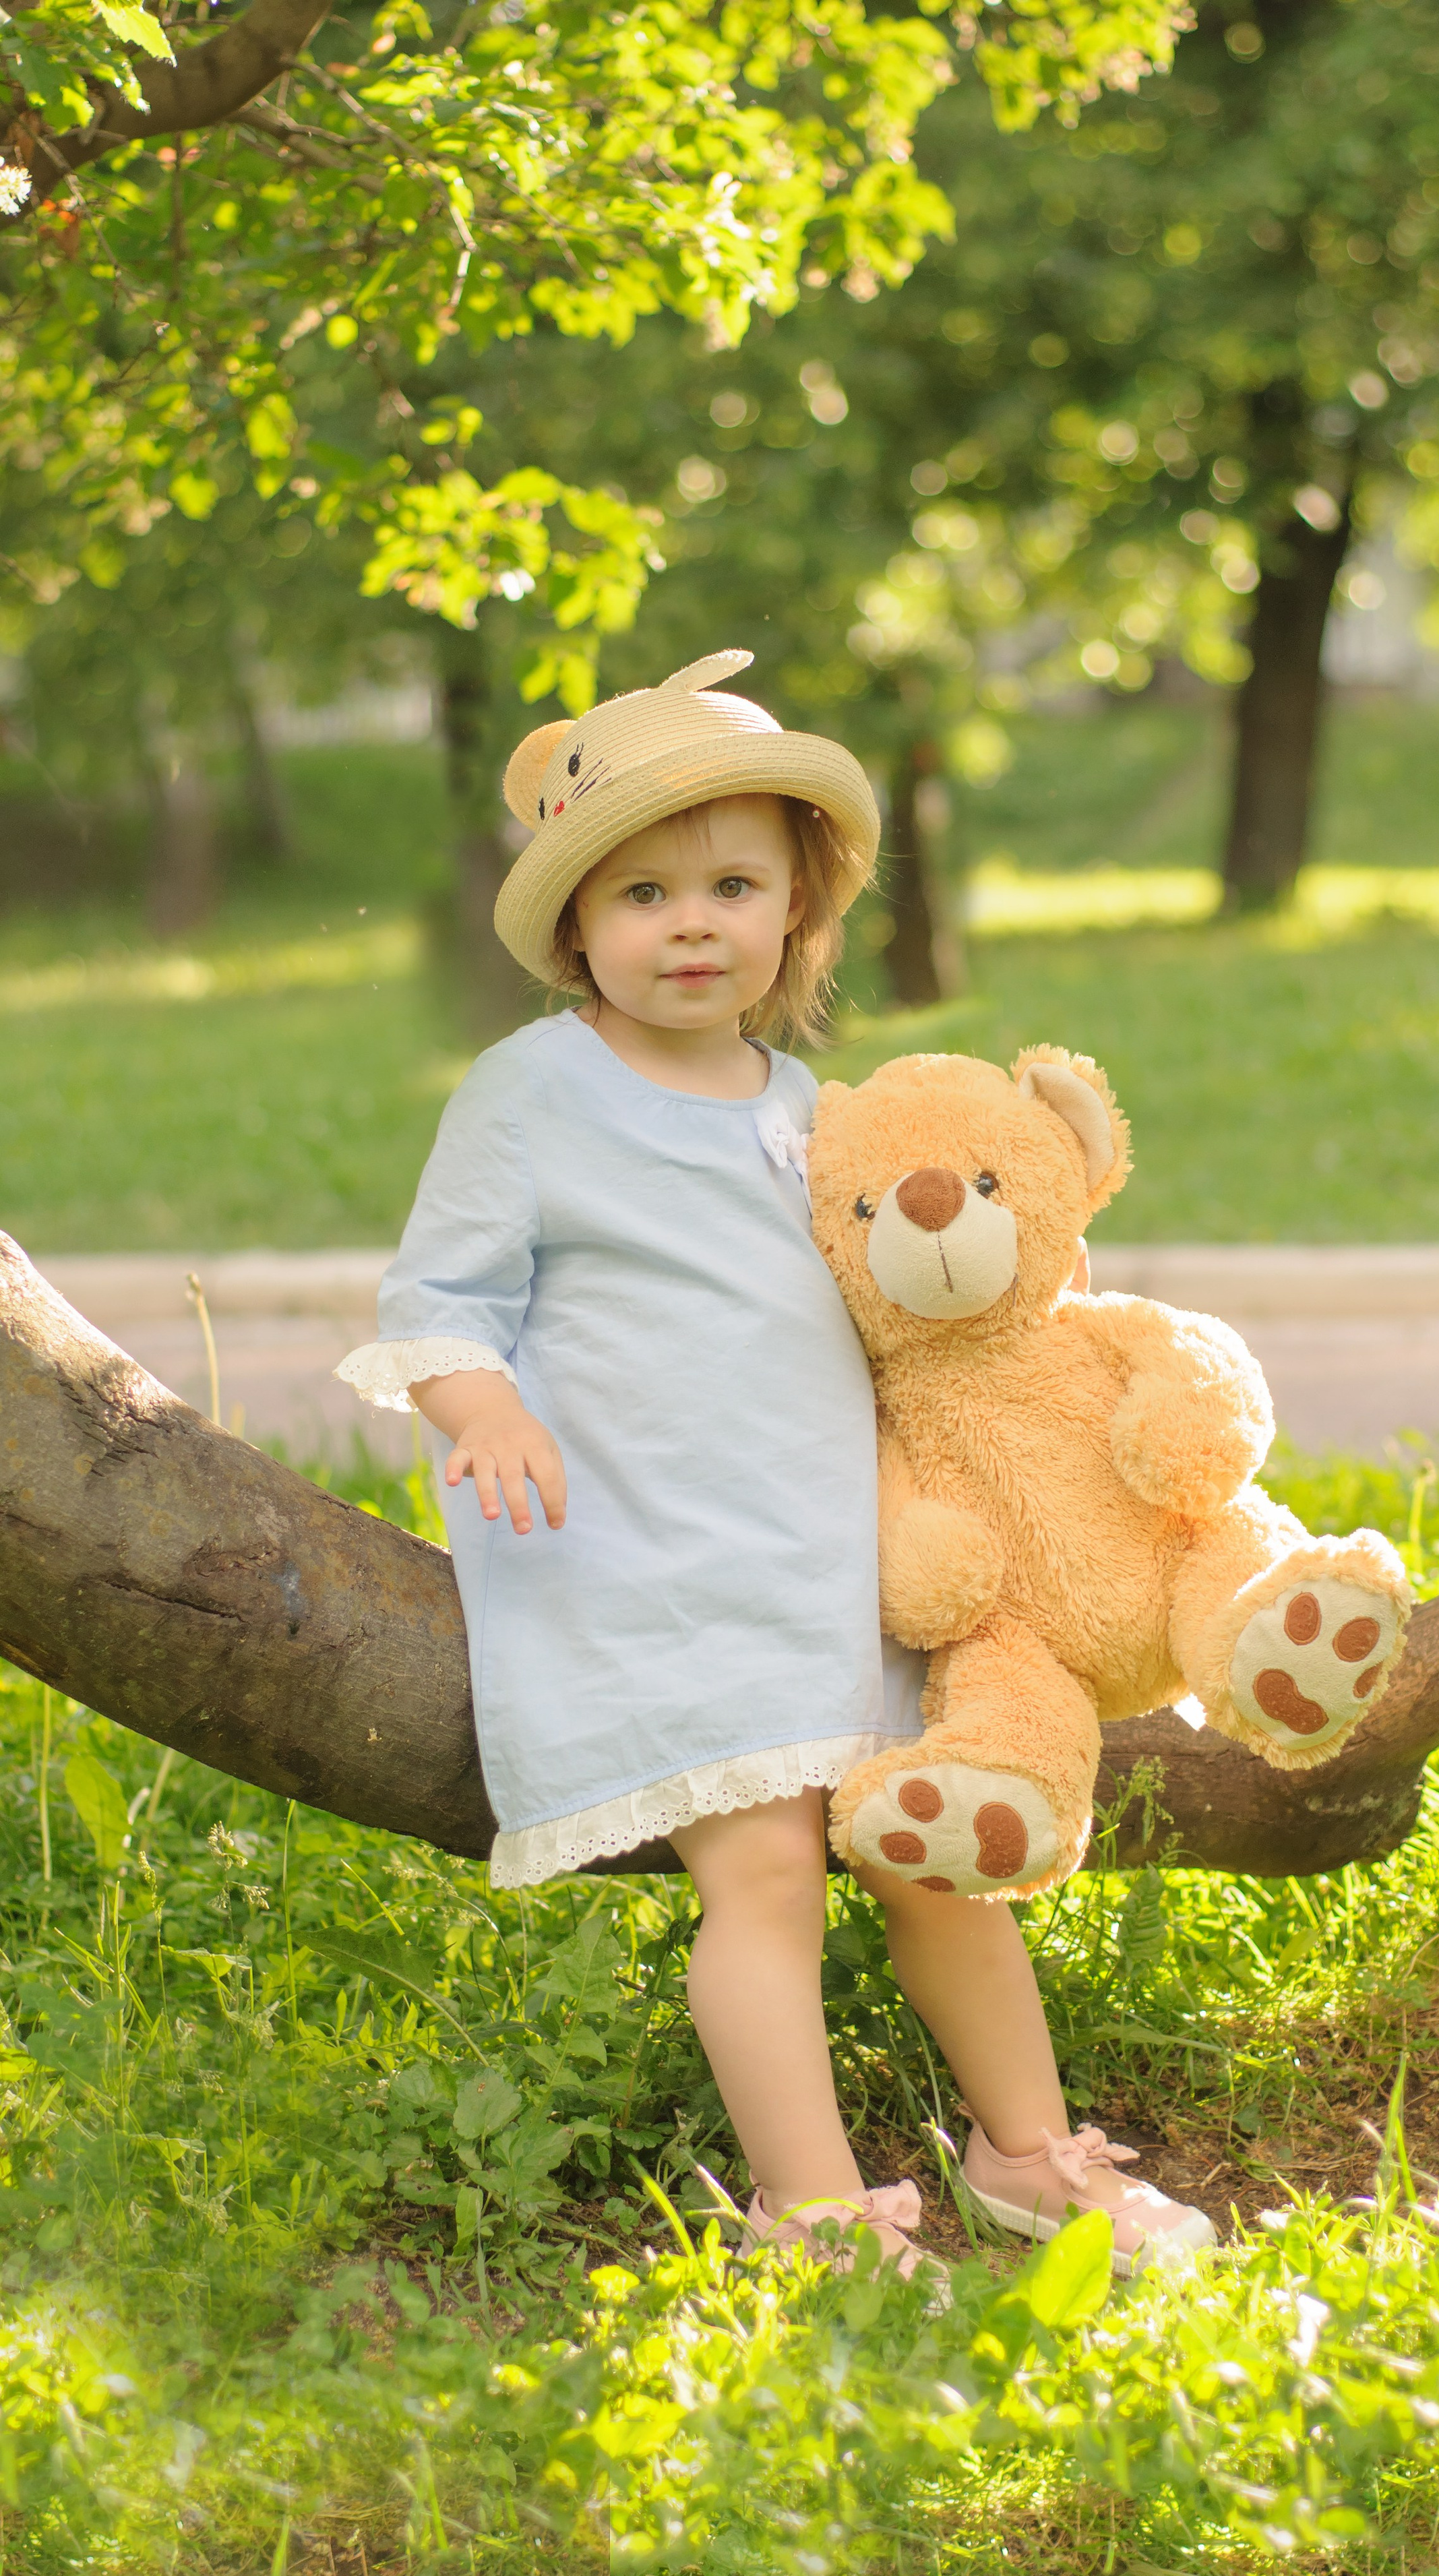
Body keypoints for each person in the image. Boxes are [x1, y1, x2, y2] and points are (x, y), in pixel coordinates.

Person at [337, 650, 1215, 2283]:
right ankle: (809, 2211)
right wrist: (485, 1413)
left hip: (828, 1556)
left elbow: (899, 1308)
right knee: (765, 1873)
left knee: (933, 1852)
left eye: (731, 888)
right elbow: (439, 1298)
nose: (691, 926)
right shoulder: (533, 1091)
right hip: (648, 1556)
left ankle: (1029, 2153)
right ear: (576, 921)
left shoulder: (812, 1106)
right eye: (644, 894)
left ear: (794, 908)